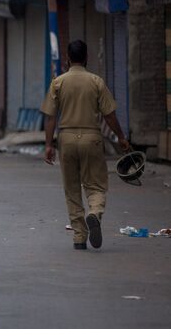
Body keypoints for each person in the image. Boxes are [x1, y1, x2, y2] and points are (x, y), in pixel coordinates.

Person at [40, 40, 130, 251]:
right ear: (87, 57)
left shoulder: (58, 83)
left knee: (72, 189)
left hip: (67, 139)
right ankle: (94, 213)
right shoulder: (96, 81)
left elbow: (50, 117)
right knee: (96, 185)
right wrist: (121, 137)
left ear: (68, 59)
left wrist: (48, 145)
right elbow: (110, 115)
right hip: (92, 138)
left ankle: (79, 236)